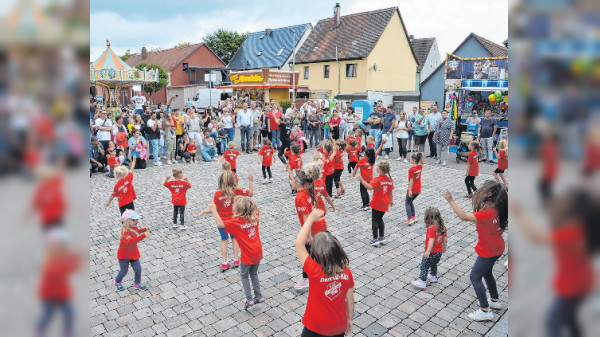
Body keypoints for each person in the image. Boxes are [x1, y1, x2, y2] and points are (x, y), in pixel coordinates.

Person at [512, 189, 598, 337]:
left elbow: (537, 238)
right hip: (582, 283)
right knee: (570, 318)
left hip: (572, 287)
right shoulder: (585, 229)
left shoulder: (572, 232)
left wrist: (519, 214)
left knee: (552, 322)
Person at [442, 181, 507, 321]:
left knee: (475, 277)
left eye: (484, 190)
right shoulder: (500, 208)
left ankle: (485, 310)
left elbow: (463, 216)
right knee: (487, 273)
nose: (481, 191)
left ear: (489, 194)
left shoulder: (487, 214)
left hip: (488, 251)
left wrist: (450, 200)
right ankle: (495, 301)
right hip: (497, 247)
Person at [295, 209, 354, 337]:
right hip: (338, 326)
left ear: (316, 254)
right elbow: (349, 298)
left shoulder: (314, 270)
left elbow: (299, 243)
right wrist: (349, 319)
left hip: (315, 327)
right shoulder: (346, 272)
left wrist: (310, 219)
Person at [213, 196, 265, 310]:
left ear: (238, 210)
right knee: (254, 274)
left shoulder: (235, 222)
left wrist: (213, 209)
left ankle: (249, 299)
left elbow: (220, 224)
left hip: (247, 254)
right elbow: (256, 208)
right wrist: (248, 201)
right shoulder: (255, 216)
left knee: (244, 275)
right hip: (258, 251)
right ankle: (258, 296)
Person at [203, 170, 254, 271]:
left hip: (222, 222)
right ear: (232, 181)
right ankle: (236, 259)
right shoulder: (237, 191)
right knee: (234, 239)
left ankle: (224, 262)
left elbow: (216, 209)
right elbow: (250, 194)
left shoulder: (217, 194)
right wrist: (250, 181)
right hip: (234, 221)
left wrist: (206, 211)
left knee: (224, 240)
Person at [36, 229, 80, 337]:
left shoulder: (65, 255)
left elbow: (75, 264)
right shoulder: (48, 260)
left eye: (64, 246)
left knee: (69, 313)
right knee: (47, 314)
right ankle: (39, 331)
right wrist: (71, 264)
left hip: (63, 293)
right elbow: (58, 273)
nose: (63, 248)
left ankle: (67, 332)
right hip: (49, 294)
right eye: (59, 246)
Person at [290, 169, 328, 291]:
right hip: (319, 227)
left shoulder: (300, 197)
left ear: (297, 183)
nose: (290, 182)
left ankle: (307, 279)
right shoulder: (306, 192)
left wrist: (308, 235)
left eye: (292, 180)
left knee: (307, 256)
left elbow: (306, 218)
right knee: (318, 254)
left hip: (313, 231)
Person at [357, 160, 394, 246]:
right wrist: (391, 200)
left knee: (375, 220)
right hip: (385, 204)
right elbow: (391, 191)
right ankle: (382, 237)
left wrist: (362, 180)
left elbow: (369, 187)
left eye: (377, 167)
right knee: (380, 219)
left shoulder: (377, 179)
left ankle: (375, 239)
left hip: (377, 203)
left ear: (380, 170)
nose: (375, 168)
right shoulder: (389, 180)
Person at [411, 207, 447, 290]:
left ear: (428, 218)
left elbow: (431, 240)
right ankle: (433, 276)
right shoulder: (443, 227)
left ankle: (422, 281)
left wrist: (428, 251)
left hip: (432, 252)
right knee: (434, 264)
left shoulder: (431, 228)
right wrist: (444, 248)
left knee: (424, 266)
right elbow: (445, 239)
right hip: (439, 252)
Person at [114, 210, 149, 291]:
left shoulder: (133, 227)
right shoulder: (124, 233)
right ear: (127, 221)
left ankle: (137, 283)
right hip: (124, 256)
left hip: (133, 254)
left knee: (138, 269)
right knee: (124, 271)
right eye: (134, 220)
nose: (136, 221)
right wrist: (143, 236)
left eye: (137, 219)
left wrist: (144, 229)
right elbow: (132, 241)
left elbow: (137, 231)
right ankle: (117, 281)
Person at [349, 141, 385, 211]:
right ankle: (368, 204)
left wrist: (353, 174)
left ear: (366, 153)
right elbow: (378, 151)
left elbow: (356, 167)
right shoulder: (373, 157)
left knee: (363, 191)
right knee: (365, 191)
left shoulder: (363, 160)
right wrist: (381, 144)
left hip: (363, 179)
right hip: (370, 178)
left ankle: (365, 205)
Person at [406, 152, 423, 225]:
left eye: (410, 158)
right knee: (410, 202)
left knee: (407, 203)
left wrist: (409, 190)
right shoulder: (420, 167)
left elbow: (411, 180)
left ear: (413, 160)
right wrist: (421, 158)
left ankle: (409, 219)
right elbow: (422, 163)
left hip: (413, 189)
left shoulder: (411, 169)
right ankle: (413, 216)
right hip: (418, 189)